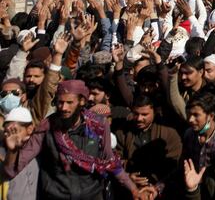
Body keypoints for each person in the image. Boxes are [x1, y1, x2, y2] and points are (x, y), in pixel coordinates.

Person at [3, 79, 149, 199]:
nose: (64, 108)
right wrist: (13, 151)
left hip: (92, 195)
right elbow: (12, 171)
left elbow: (110, 161)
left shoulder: (98, 125)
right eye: (60, 102)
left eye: (69, 102)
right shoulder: (46, 127)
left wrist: (133, 189)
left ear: (81, 101)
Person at [115, 93, 183, 194]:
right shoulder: (123, 132)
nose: (139, 118)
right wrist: (127, 178)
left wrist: (157, 186)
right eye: (136, 114)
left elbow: (174, 166)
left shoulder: (169, 133)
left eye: (144, 115)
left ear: (154, 112)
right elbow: (114, 161)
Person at [0, 106, 39, 199]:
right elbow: (6, 173)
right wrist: (12, 151)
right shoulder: (3, 151)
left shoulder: (39, 148)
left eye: (15, 131)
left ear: (29, 129)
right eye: (7, 132)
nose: (11, 136)